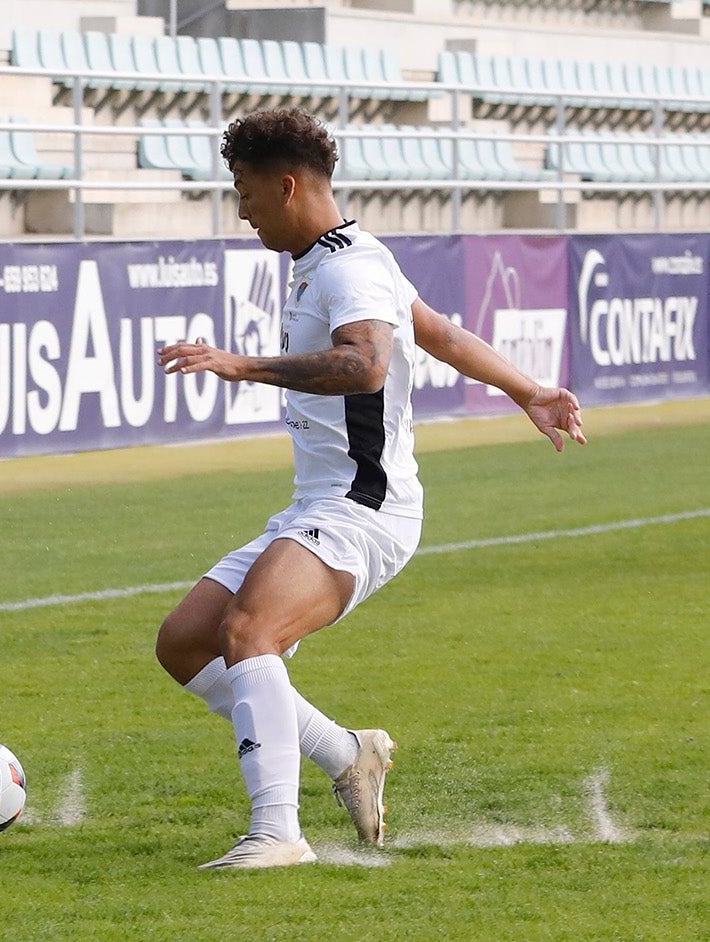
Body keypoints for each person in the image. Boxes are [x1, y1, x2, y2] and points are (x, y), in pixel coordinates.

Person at [155, 108, 585, 869]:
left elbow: (368, 365)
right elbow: (441, 334)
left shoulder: (350, 267)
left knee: (252, 630)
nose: (243, 211)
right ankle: (350, 754)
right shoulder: (347, 258)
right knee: (187, 642)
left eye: (247, 193)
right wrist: (530, 390)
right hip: (322, 502)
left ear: (287, 186)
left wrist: (241, 364)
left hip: (365, 507)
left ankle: (277, 833)